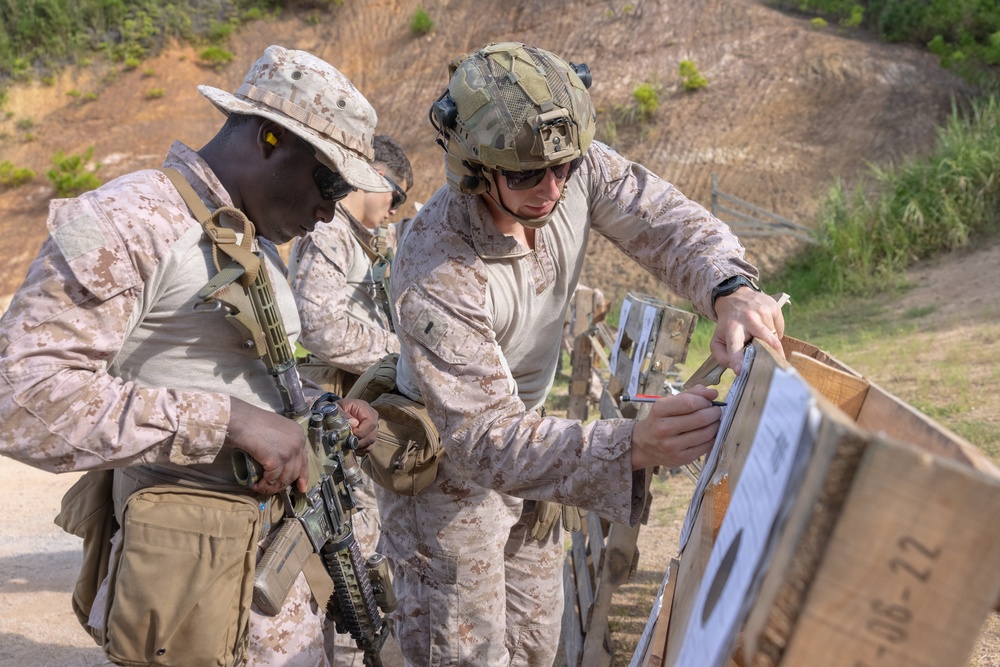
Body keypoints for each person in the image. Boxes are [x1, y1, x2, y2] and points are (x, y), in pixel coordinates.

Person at [376, 42, 787, 666]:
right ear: (475, 166)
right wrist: (634, 446)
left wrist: (730, 289)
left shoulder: (569, 167)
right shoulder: (435, 263)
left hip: (538, 454)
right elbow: (482, 439)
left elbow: (666, 221)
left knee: (536, 646)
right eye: (525, 176)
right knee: (465, 653)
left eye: (564, 168)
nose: (552, 188)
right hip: (447, 476)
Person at [0, 45, 391, 667]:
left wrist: (319, 410)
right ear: (269, 139)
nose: (332, 207)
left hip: (261, 590)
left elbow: (234, 373)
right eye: (330, 180)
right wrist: (229, 421)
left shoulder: (243, 235)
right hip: (195, 599)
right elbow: (22, 397)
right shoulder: (133, 219)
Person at [288, 134, 413, 666]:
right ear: (374, 178)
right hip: (335, 404)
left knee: (362, 555)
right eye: (396, 196)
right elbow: (319, 328)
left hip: (356, 406)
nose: (395, 209)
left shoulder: (360, 242)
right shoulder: (330, 234)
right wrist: (401, 353)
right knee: (342, 559)